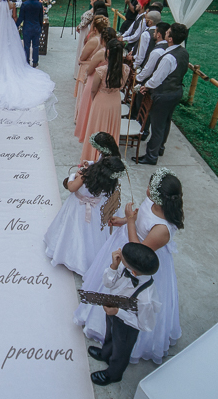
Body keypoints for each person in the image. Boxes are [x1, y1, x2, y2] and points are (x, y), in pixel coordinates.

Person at [75, 168, 184, 364]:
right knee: (108, 290)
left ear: (159, 197)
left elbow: (137, 254)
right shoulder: (152, 202)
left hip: (136, 261)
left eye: (151, 187)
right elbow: (141, 216)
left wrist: (131, 222)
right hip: (125, 242)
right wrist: (124, 221)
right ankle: (106, 337)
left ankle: (119, 352)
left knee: (124, 306)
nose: (147, 188)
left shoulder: (162, 230)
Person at [88, 242, 160, 386]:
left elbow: (144, 325)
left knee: (122, 350)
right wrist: (114, 267)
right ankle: (106, 353)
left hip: (128, 324)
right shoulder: (124, 267)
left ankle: (114, 374)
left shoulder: (145, 298)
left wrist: (118, 312)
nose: (119, 252)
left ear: (133, 272)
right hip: (114, 309)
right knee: (109, 334)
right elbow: (109, 284)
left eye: (123, 258)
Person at [44, 153, 126, 275]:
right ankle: (87, 259)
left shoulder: (86, 175)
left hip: (77, 208)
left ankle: (67, 255)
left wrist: (73, 176)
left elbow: (71, 188)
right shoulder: (110, 183)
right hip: (96, 211)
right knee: (92, 235)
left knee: (74, 231)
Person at [133, 23, 189, 165]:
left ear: (170, 38)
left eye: (168, 32)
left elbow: (157, 78)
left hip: (164, 94)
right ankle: (160, 147)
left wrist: (146, 86)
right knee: (166, 121)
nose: (166, 33)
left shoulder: (168, 58)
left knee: (157, 125)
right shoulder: (183, 52)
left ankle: (151, 156)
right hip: (176, 91)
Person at [81, 39, 129, 162]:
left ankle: (92, 156)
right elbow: (122, 86)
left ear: (108, 53)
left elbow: (93, 89)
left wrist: (94, 100)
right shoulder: (125, 69)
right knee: (111, 129)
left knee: (97, 128)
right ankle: (109, 158)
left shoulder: (102, 70)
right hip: (115, 101)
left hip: (101, 101)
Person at [75, 26, 115, 142]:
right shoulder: (115, 52)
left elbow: (90, 69)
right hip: (106, 83)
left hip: (94, 81)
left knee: (88, 107)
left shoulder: (101, 53)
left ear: (102, 39)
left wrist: (87, 73)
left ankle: (87, 132)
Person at [75, 15, 107, 102]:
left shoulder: (94, 41)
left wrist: (80, 61)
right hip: (97, 69)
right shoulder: (104, 40)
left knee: (83, 98)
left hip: (87, 70)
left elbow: (83, 57)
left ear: (95, 28)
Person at [16, 0, 45, 67]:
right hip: (36, 27)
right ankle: (35, 61)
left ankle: (27, 61)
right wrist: (40, 26)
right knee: (36, 45)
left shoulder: (25, 4)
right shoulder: (39, 4)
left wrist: (16, 25)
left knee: (27, 46)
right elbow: (40, 17)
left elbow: (21, 17)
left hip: (27, 28)